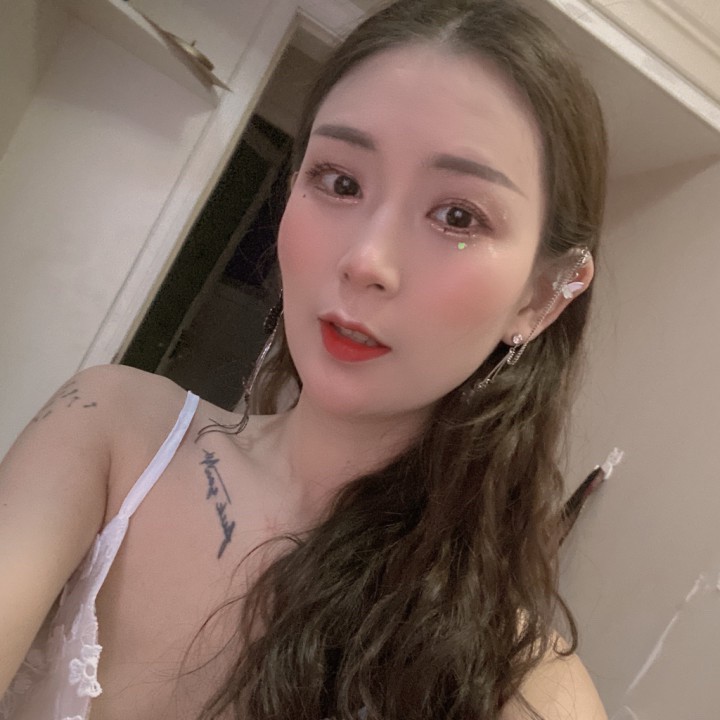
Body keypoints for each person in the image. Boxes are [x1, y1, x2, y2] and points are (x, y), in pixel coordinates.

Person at [0, 0, 609, 718]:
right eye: (340, 181)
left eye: (458, 216)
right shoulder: (109, 431)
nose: (366, 260)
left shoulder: (524, 686)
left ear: (541, 296)